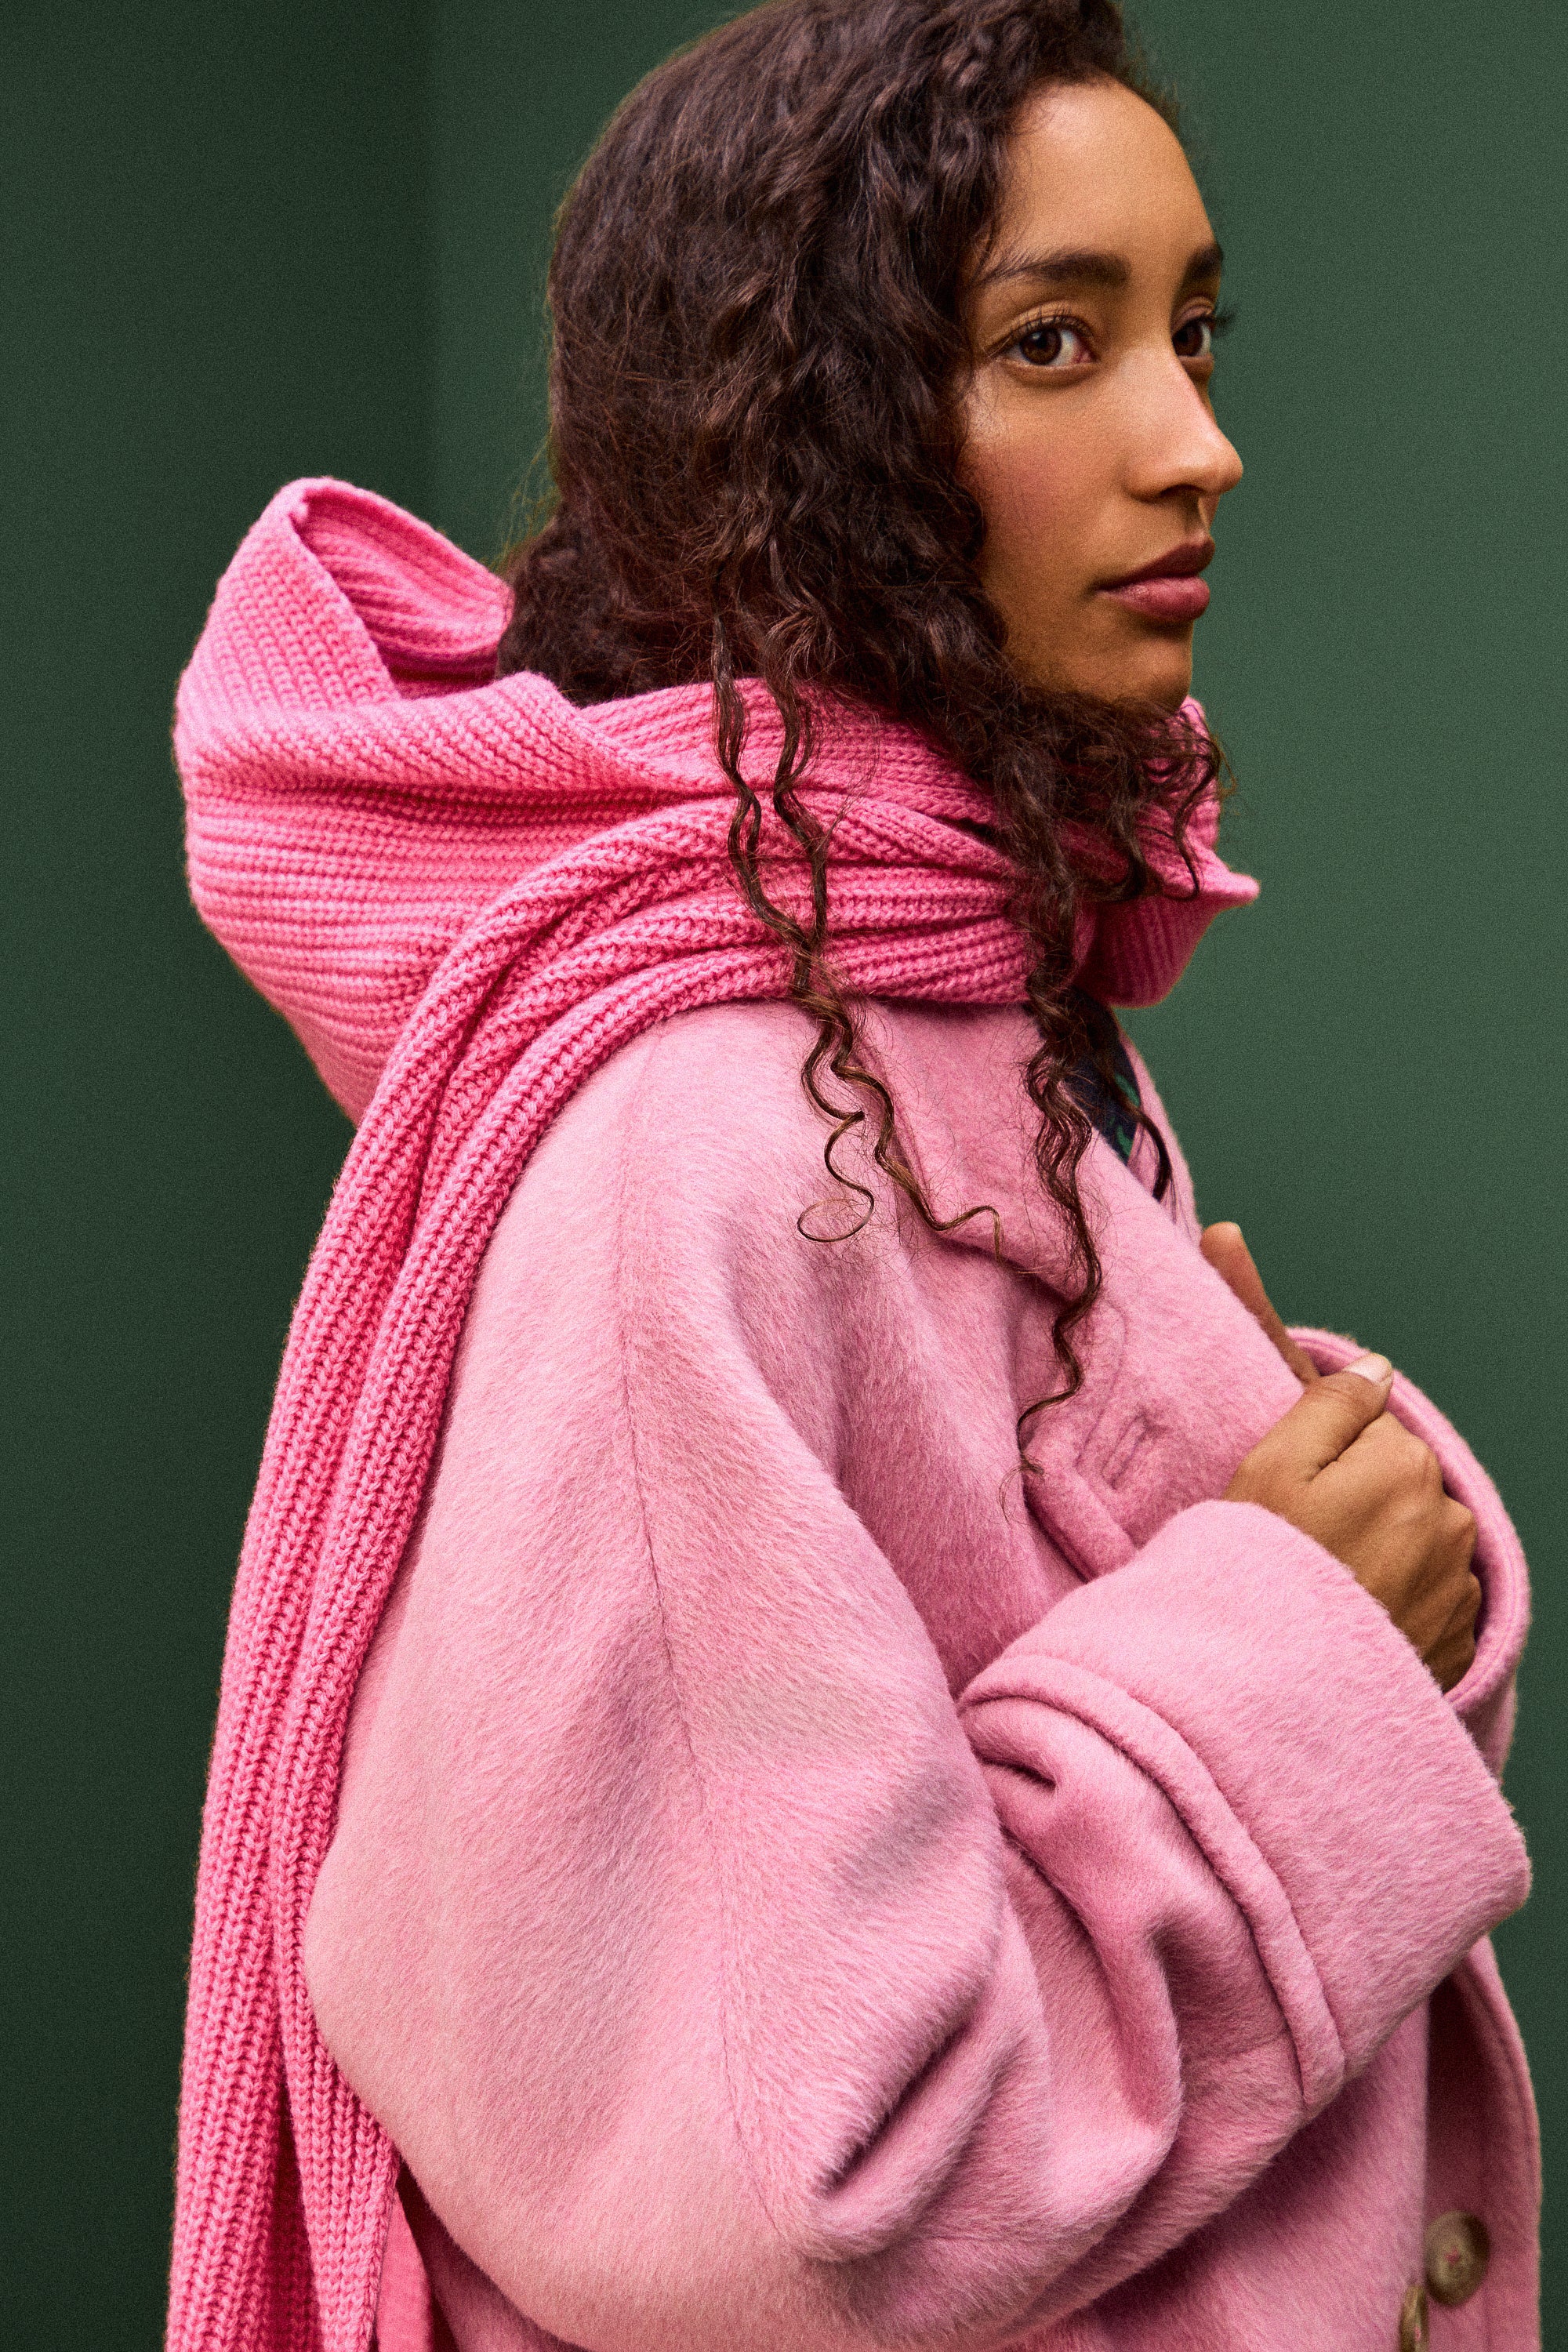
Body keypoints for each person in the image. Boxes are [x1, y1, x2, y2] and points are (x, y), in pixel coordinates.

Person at [165, 4, 1537, 2349]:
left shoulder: (960, 981)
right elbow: (811, 2162)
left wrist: (1265, 1511)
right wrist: (1303, 1631)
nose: (1196, 443)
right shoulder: (704, 1134)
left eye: (1193, 332)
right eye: (1053, 342)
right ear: (811, 427)